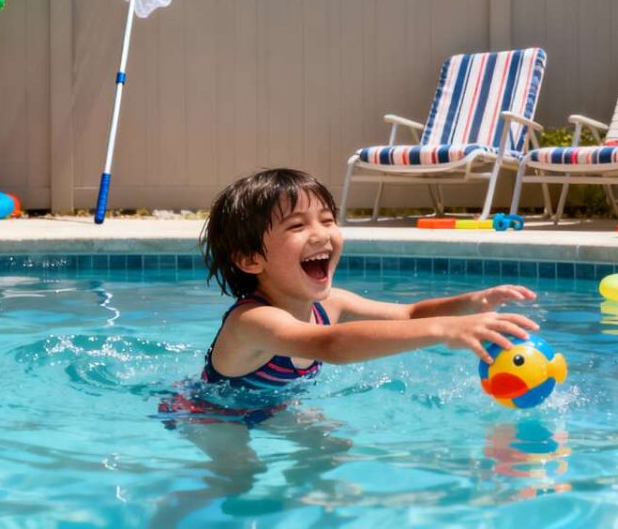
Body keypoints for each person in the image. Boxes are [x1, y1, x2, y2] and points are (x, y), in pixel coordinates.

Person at [198, 167, 539, 394]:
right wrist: (445, 331)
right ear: (250, 259)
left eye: (328, 220)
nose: (321, 235)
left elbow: (408, 315)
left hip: (275, 406)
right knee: (240, 479)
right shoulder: (253, 321)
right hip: (215, 417)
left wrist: (468, 304)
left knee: (331, 449)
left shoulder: (331, 304)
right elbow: (331, 345)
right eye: (297, 226)